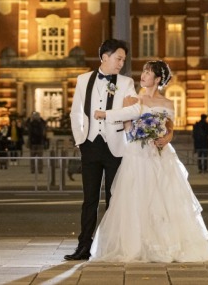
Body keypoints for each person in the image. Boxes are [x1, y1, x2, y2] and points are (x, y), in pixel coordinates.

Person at [90, 60, 208, 262]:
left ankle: (165, 244)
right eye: (144, 71)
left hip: (162, 154)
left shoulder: (168, 103)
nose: (144, 74)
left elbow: (170, 128)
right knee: (137, 197)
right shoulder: (132, 99)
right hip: (137, 154)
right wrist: (138, 134)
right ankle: (137, 245)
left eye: (148, 72)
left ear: (157, 79)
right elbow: (127, 128)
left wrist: (166, 138)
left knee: (164, 198)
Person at [64, 39, 138, 261]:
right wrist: (81, 140)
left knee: (114, 199)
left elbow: (133, 110)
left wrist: (108, 115)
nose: (121, 63)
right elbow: (76, 112)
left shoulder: (126, 82)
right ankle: (83, 247)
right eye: (118, 58)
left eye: (124, 60)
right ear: (105, 57)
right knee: (90, 200)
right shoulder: (83, 79)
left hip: (116, 146)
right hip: (90, 145)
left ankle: (112, 247)